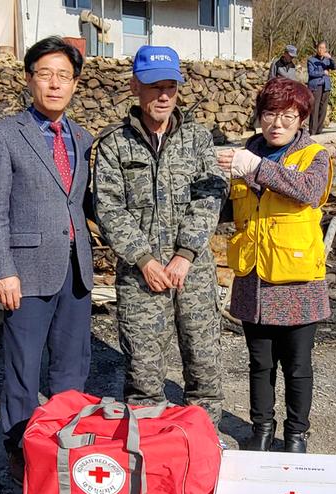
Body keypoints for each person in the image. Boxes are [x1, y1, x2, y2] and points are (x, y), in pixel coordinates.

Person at [92, 46, 227, 426]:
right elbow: (108, 207)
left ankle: (203, 444)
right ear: (136, 86)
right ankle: (148, 449)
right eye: (154, 86)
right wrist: (143, 258)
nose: (163, 95)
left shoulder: (197, 139)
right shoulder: (114, 144)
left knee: (203, 364)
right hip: (141, 275)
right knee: (143, 370)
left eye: (170, 86)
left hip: (193, 273)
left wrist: (185, 254)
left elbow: (211, 195)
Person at [0, 36, 94, 485]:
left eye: (63, 76)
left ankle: (67, 437)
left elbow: (82, 203)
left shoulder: (83, 138)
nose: (54, 84)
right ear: (30, 79)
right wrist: (2, 269)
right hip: (25, 271)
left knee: (72, 363)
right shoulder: (5, 134)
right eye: (45, 74)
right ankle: (21, 447)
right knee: (23, 367)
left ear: (74, 83)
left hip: (75, 268)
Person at [216, 78, 333, 454]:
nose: (277, 124)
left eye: (287, 116)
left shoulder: (313, 156)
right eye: (269, 114)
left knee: (297, 366)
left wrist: (256, 168)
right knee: (259, 363)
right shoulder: (246, 153)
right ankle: (261, 429)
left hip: (297, 281)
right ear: (259, 116)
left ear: (302, 119)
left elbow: (307, 191)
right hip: (254, 278)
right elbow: (228, 210)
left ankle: (296, 434)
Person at [306, 41, 336, 135]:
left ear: (326, 49)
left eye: (323, 48)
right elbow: (311, 73)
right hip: (316, 86)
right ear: (316, 48)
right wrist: (323, 72)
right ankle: (313, 131)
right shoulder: (311, 60)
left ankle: (319, 130)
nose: (321, 50)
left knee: (323, 109)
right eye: (319, 48)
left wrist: (331, 58)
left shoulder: (327, 60)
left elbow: (335, 67)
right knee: (314, 109)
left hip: (326, 86)